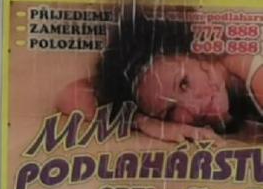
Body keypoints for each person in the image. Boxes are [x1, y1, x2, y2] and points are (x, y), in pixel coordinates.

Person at [56, 9, 263, 144]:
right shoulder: (222, 80)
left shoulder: (249, 68)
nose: (192, 107)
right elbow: (69, 95)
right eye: (169, 111)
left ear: (200, 55)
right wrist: (145, 122)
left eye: (184, 84)